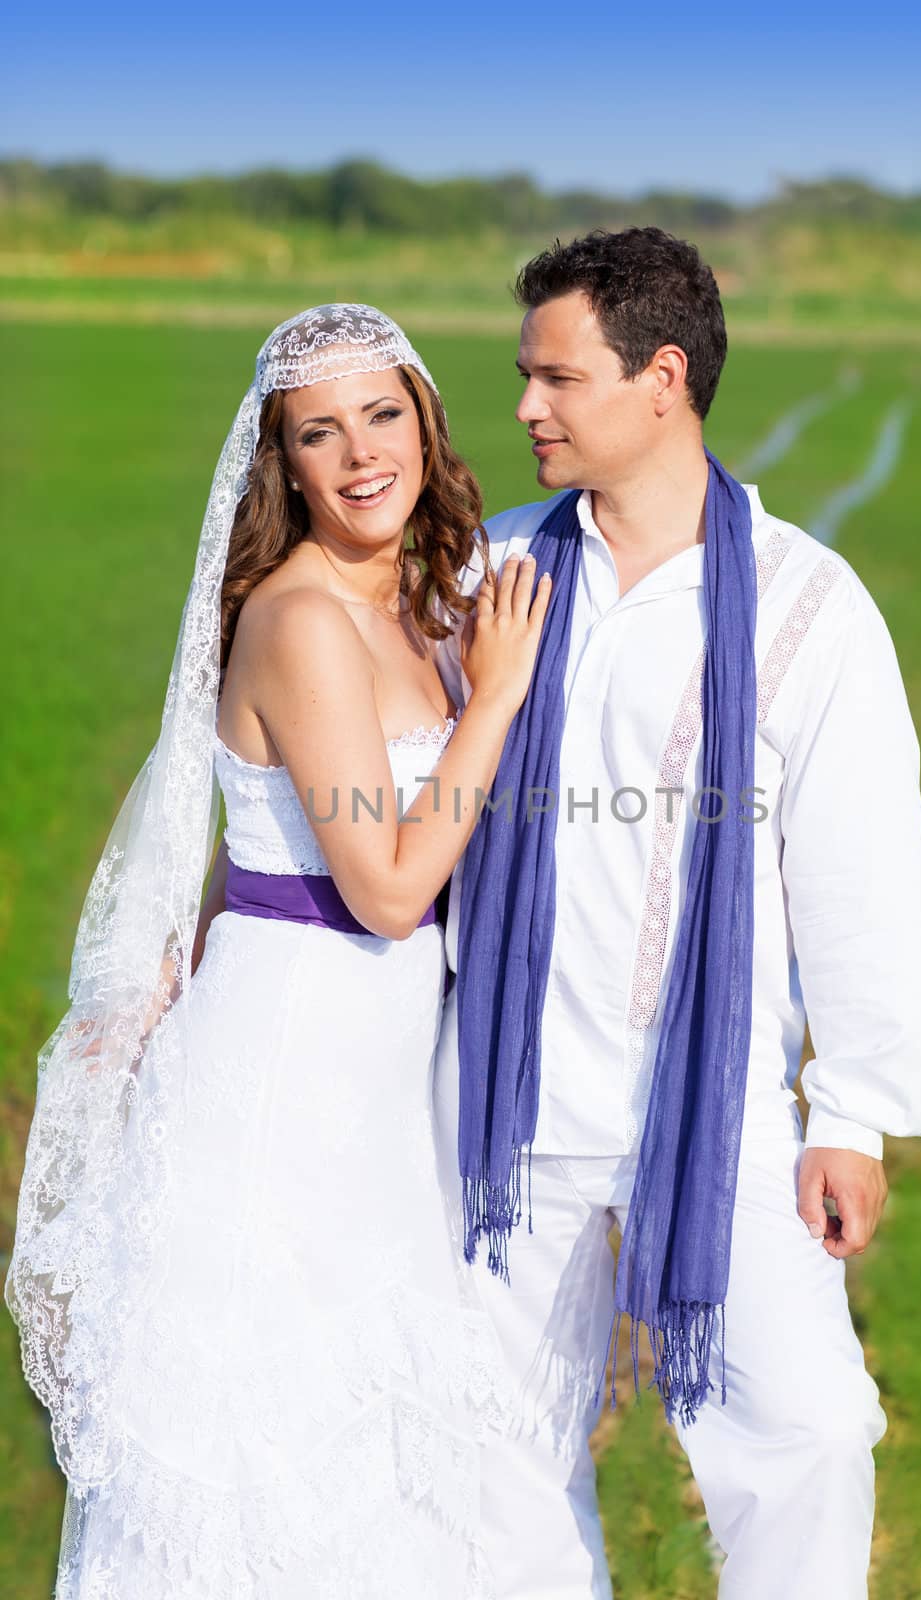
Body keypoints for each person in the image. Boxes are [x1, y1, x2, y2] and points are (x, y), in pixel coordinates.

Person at [5, 304, 550, 1599]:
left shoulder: (419, 606)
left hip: (382, 1086)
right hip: (290, 1076)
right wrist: (503, 698)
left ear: (425, 421)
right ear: (282, 462)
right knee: (260, 1463)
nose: (362, 453)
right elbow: (391, 884)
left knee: (381, 1471)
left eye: (383, 414)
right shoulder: (303, 619)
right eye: (321, 430)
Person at [433, 229, 921, 1599]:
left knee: (812, 1435)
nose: (528, 407)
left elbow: (863, 868)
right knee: (493, 1444)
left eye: (559, 377)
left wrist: (854, 1113)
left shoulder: (804, 603)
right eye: (524, 376)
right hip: (507, 1100)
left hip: (719, 1104)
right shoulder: (493, 575)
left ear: (663, 379)